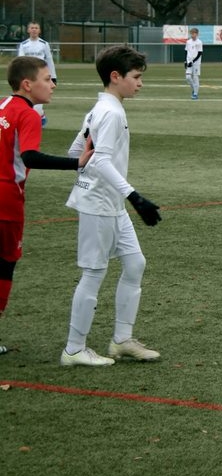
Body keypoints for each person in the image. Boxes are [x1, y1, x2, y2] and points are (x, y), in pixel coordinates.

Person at [61, 45, 162, 367]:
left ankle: (121, 340)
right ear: (115, 76)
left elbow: (76, 151)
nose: (140, 83)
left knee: (135, 264)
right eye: (136, 77)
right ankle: (74, 349)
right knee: (94, 272)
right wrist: (135, 197)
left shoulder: (101, 108)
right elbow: (99, 160)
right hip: (99, 203)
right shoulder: (112, 112)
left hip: (110, 202)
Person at [0, 57, 94, 356]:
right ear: (27, 84)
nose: (53, 84)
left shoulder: (2, 106)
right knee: (5, 264)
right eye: (47, 79)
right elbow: (30, 157)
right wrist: (76, 163)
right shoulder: (27, 114)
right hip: (6, 201)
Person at [16, 21, 57, 125]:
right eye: (32, 28)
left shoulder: (44, 44)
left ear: (39, 31)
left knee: (38, 99)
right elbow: (20, 60)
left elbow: (49, 60)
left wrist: (53, 77)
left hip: (40, 76)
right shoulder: (24, 45)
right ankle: (33, 118)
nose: (34, 30)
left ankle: (40, 116)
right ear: (28, 30)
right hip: (28, 76)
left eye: (36, 28)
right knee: (27, 99)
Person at [184, 27, 203, 100]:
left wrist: (193, 61)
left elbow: (199, 53)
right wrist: (185, 61)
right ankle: (194, 89)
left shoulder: (199, 42)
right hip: (189, 62)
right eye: (191, 33)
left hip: (196, 63)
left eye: (194, 33)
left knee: (195, 77)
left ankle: (195, 94)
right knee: (188, 77)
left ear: (197, 34)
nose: (192, 35)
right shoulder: (188, 42)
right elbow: (186, 51)